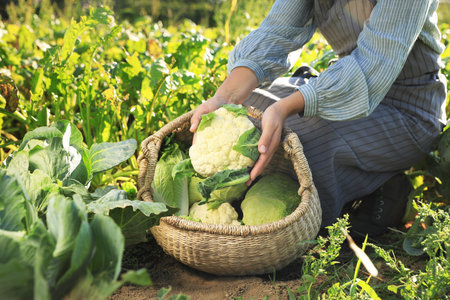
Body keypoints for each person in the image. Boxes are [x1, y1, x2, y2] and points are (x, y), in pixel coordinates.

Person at [189, 0, 448, 237]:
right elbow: (277, 32)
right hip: (343, 90)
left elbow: (373, 65)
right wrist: (223, 98)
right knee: (251, 109)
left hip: (406, 110)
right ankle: (357, 176)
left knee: (297, 141)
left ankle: (383, 186)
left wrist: (284, 108)